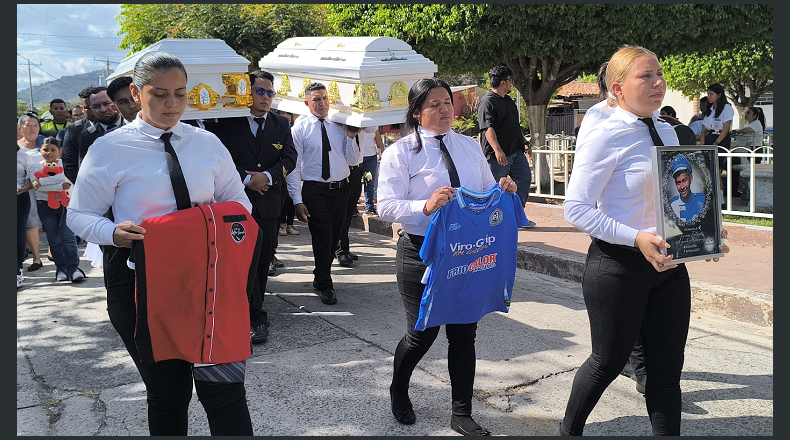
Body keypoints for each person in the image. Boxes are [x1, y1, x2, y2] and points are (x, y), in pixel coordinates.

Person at [66, 51, 254, 436]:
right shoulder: (109, 149)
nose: (172, 105)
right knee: (168, 394)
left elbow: (240, 204)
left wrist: (199, 225)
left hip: (208, 281)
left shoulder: (207, 143)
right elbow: (79, 214)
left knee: (225, 391)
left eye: (181, 94)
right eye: (160, 94)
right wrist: (112, 233)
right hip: (142, 283)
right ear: (136, 93)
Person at [557, 45, 730, 436]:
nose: (658, 83)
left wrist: (708, 232)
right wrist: (635, 238)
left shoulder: (668, 130)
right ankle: (568, 431)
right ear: (618, 88)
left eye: (660, 74)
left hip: (669, 269)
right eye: (646, 76)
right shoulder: (604, 134)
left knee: (666, 374)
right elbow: (577, 209)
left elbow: (678, 198)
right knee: (606, 364)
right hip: (617, 267)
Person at [378, 77, 519, 436]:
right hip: (421, 252)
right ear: (416, 112)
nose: (444, 110)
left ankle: (461, 413)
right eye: (434, 105)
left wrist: (502, 187)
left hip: (467, 253)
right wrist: (424, 205)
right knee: (421, 334)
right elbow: (385, 206)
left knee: (463, 332)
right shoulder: (400, 152)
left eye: (447, 103)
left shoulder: (470, 147)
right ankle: (398, 388)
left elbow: (486, 188)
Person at [205, 69, 297, 345]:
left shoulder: (281, 123)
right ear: (247, 92)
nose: (266, 97)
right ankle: (253, 316)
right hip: (235, 202)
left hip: (269, 202)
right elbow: (221, 157)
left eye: (270, 93)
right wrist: (247, 179)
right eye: (260, 91)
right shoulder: (227, 123)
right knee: (239, 260)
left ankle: (253, 308)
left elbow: (289, 157)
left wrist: (267, 176)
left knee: (262, 258)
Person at [285, 82, 361, 305]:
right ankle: (325, 283)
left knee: (335, 236)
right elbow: (294, 166)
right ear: (307, 103)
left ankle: (320, 275)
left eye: (325, 98)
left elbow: (353, 160)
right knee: (323, 235)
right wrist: (297, 200)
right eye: (316, 99)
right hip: (315, 190)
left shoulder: (339, 123)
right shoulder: (299, 129)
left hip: (341, 189)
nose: (322, 103)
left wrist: (352, 136)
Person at [477, 65, 536, 229]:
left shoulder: (509, 101)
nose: (511, 84)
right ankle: (490, 222)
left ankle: (516, 217)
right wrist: (497, 150)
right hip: (498, 156)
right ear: (503, 82)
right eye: (510, 81)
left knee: (523, 180)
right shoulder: (487, 102)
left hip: (516, 153)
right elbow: (487, 129)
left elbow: (514, 126)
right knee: (494, 189)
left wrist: (524, 143)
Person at [27, 137, 85, 282]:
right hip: (45, 206)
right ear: (40, 151)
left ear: (59, 151)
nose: (49, 153)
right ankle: (61, 269)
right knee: (54, 240)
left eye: (53, 150)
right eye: (45, 150)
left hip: (66, 205)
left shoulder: (65, 165)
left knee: (68, 238)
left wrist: (42, 182)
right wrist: (59, 185)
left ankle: (74, 269)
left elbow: (67, 179)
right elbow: (37, 189)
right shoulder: (35, 167)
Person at [17, 112, 46, 272]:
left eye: (35, 125)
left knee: (50, 223)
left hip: (48, 190)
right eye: (28, 125)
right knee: (31, 224)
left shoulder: (44, 144)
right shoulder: (17, 148)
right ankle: (36, 258)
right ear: (20, 128)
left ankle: (51, 252)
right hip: (26, 191)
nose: (32, 128)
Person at [700, 83, 738, 197]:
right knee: (709, 170)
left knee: (717, 169)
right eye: (708, 94)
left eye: (711, 94)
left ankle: (720, 199)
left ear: (719, 95)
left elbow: (726, 128)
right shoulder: (710, 109)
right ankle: (711, 197)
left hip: (721, 140)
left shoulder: (727, 108)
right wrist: (702, 145)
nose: (709, 97)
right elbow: (704, 130)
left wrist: (716, 143)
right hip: (710, 138)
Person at [336, 126, 365, 267]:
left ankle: (343, 247)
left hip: (355, 170)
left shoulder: (362, 122)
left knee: (348, 213)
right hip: (340, 170)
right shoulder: (335, 123)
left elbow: (372, 128)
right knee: (341, 213)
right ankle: (341, 250)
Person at [62, 86, 99, 183]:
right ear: (82, 108)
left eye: (96, 106)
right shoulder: (74, 130)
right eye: (88, 107)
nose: (93, 110)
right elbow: (69, 165)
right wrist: (84, 186)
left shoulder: (117, 125)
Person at [17, 134, 35, 288]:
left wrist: (23, 189)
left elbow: (33, 180)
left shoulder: (23, 156)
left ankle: (17, 270)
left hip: (19, 198)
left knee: (18, 234)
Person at [669, 154, 706, 221]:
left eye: (684, 180)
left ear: (691, 179)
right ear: (675, 184)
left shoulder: (701, 200)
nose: (682, 187)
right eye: (678, 183)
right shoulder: (673, 204)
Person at [360, 125, 386, 215]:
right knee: (356, 183)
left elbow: (378, 139)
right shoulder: (356, 123)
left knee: (369, 182)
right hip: (357, 156)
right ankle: (353, 207)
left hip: (371, 156)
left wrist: (383, 151)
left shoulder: (374, 124)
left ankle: (369, 207)